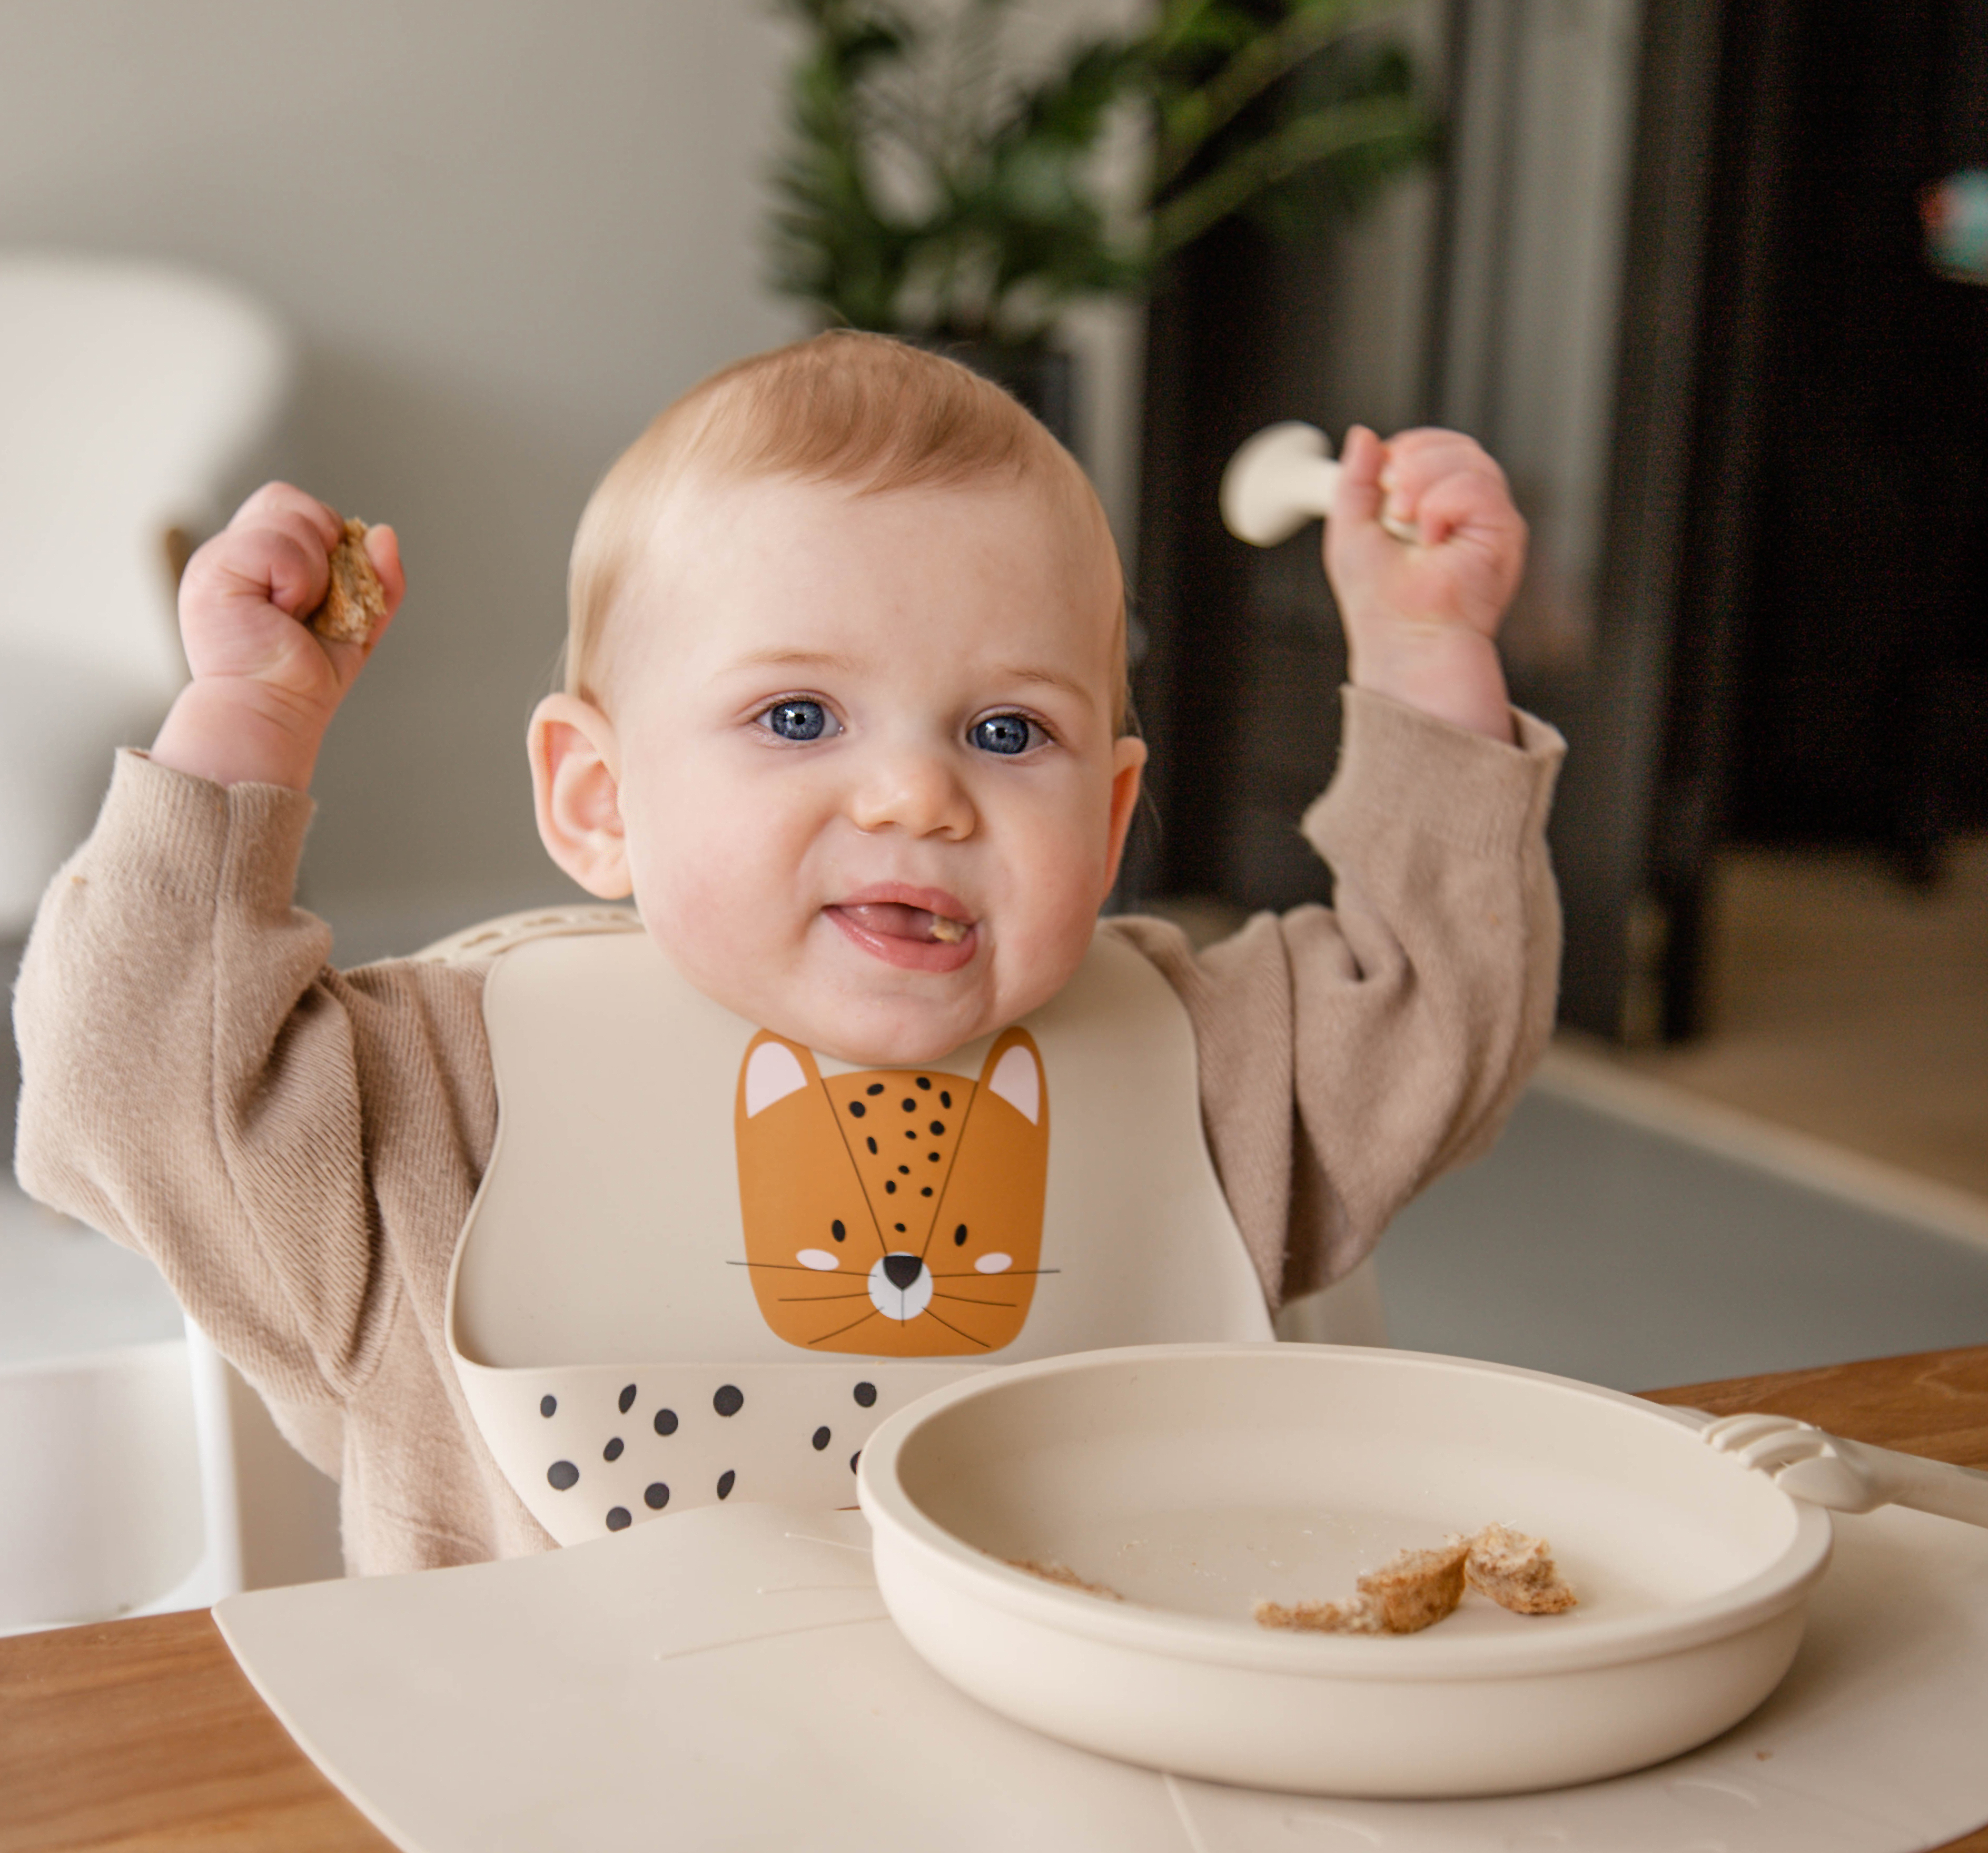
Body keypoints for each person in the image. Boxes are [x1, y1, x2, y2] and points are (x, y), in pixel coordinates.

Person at [14, 333, 1561, 1572]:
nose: (915, 793)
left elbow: (1444, 1012)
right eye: (799, 717)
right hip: (570, 1843)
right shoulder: (432, 1108)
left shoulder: (1211, 1069)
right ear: (597, 799)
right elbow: (129, 1085)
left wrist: (1431, 661)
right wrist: (248, 727)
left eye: (1008, 730)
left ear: (1112, 813)